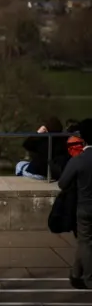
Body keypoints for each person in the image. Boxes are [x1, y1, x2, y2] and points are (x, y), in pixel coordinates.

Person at [58, 118, 92, 290]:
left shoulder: (79, 160)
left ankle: (86, 277)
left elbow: (63, 183)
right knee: (85, 242)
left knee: (85, 242)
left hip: (85, 206)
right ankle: (76, 274)